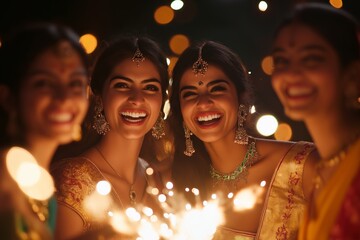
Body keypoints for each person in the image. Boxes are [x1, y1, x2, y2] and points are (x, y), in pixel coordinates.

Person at [168, 40, 319, 239]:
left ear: (241, 98)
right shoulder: (177, 184)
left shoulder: (302, 165)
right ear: (180, 109)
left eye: (217, 89)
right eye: (190, 94)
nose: (203, 102)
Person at [51, 35, 169, 240]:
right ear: (99, 96)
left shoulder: (154, 179)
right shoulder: (72, 182)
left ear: (162, 102)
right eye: (122, 85)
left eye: (150, 88)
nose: (137, 99)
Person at [271, 3, 360, 240]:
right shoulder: (324, 168)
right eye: (282, 61)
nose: (291, 74)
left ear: (352, 74)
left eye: (311, 59)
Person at [0, 22, 89, 239]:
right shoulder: (5, 187)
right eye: (44, 84)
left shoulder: (42, 187)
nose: (64, 98)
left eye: (75, 84)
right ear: (9, 98)